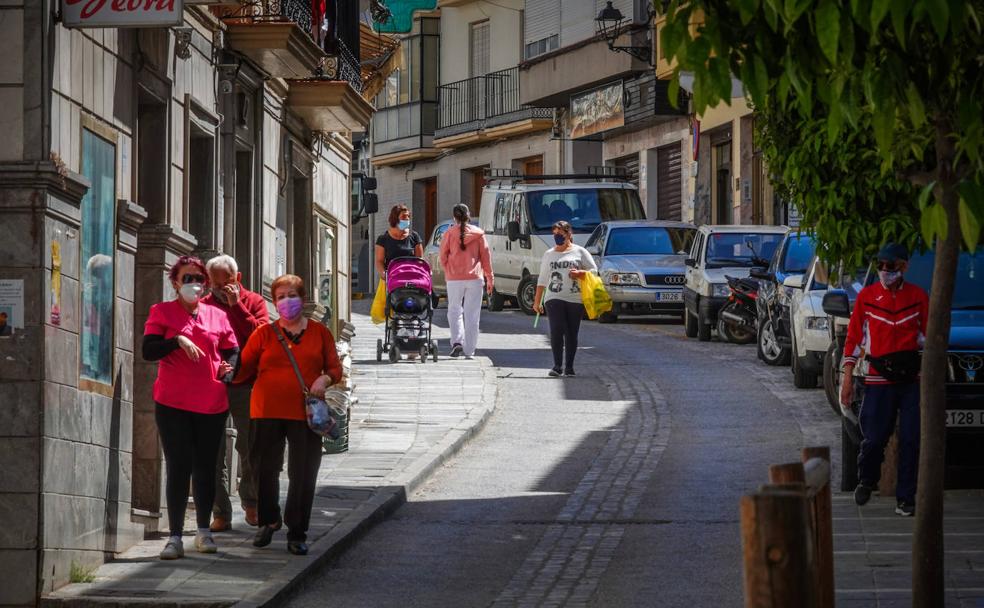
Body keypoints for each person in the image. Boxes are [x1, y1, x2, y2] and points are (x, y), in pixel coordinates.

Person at [235, 275, 342, 555]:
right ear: (274, 301)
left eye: (291, 295)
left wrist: (324, 381)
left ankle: (297, 531)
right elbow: (243, 369)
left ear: (302, 299)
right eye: (280, 296)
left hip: (305, 413)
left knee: (303, 472)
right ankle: (269, 520)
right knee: (263, 469)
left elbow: (335, 369)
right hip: (266, 409)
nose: (286, 301)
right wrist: (226, 369)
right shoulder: (264, 334)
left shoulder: (320, 333)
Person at [142, 256, 239, 560]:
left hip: (211, 401)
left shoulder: (216, 315)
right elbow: (148, 350)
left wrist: (229, 371)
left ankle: (203, 531)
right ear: (174, 283)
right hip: (173, 402)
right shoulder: (162, 312)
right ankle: (174, 537)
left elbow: (232, 349)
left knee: (206, 467)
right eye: (187, 279)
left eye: (198, 279)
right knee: (178, 466)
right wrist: (178, 340)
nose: (193, 284)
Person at [841, 243, 928, 517]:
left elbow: (928, 338)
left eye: (890, 266)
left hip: (910, 379)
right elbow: (853, 339)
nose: (884, 271)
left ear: (904, 267)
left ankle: (905, 499)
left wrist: (927, 370)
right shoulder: (867, 297)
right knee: (874, 438)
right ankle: (867, 479)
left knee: (911, 439)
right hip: (878, 379)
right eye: (880, 265)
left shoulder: (918, 297)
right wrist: (846, 378)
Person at [202, 254, 270, 532]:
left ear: (237, 278)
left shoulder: (254, 301)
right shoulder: (204, 306)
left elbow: (261, 335)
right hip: (213, 385)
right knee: (212, 451)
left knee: (250, 445)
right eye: (215, 284)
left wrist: (236, 306)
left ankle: (251, 502)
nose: (221, 288)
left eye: (226, 282)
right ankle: (220, 512)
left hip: (246, 383)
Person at [532, 220, 598, 377]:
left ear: (569, 234)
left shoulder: (580, 252)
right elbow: (542, 280)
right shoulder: (549, 254)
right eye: (554, 234)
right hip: (554, 296)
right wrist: (537, 301)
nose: (557, 237)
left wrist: (580, 274)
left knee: (571, 332)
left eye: (560, 234)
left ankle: (569, 367)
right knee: (556, 329)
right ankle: (556, 366)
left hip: (575, 297)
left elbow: (594, 271)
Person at [439, 204, 493, 359]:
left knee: (454, 311)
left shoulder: (449, 233)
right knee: (473, 315)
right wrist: (490, 278)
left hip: (454, 278)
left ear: (454, 217)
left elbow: (442, 256)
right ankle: (469, 351)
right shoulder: (479, 234)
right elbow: (486, 258)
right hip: (475, 279)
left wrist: (448, 269)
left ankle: (457, 342)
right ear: (469, 215)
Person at [375, 203, 424, 277]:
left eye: (408, 216)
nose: (407, 219)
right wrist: (384, 274)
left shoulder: (414, 237)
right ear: (395, 219)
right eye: (404, 217)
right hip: (392, 278)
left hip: (411, 277)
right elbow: (379, 261)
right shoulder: (383, 239)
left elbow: (419, 260)